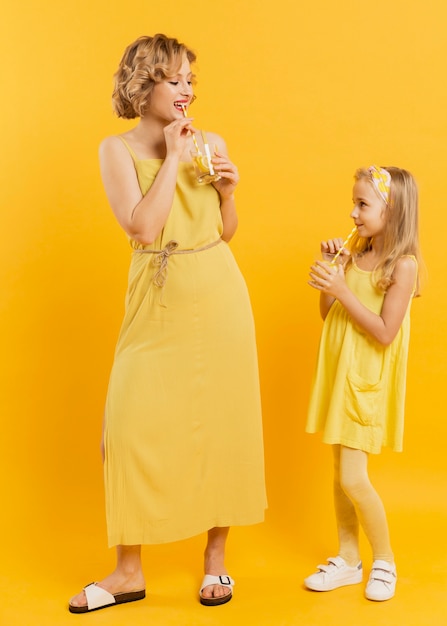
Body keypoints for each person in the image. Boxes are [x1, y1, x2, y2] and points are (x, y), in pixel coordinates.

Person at [69, 33, 266, 614]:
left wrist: (229, 193)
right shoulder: (117, 149)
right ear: (143, 84)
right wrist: (175, 157)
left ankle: (216, 562)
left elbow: (223, 231)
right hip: (154, 297)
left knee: (222, 421)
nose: (186, 91)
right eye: (174, 79)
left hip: (218, 290)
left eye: (190, 81)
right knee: (126, 428)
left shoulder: (213, 143)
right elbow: (143, 229)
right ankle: (128, 571)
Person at [304, 165, 421, 602]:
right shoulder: (356, 253)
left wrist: (345, 288)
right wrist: (333, 275)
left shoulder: (403, 266)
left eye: (362, 204)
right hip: (340, 376)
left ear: (392, 211)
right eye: (353, 202)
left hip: (364, 384)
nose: (352, 213)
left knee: (354, 478)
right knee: (340, 476)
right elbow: (327, 313)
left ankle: (385, 560)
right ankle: (349, 559)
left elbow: (385, 331)